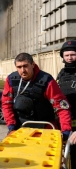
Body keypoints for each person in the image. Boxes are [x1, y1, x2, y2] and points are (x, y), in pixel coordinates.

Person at [2, 53, 72, 139]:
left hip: (45, 128)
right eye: (19, 67)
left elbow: (61, 107)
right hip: (21, 128)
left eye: (25, 66)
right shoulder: (11, 80)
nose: (23, 70)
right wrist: (11, 126)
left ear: (33, 64)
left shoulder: (46, 81)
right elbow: (6, 104)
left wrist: (66, 131)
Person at [56, 40, 76, 168]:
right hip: (66, 126)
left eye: (73, 54)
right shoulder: (62, 75)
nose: (70, 58)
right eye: (67, 55)